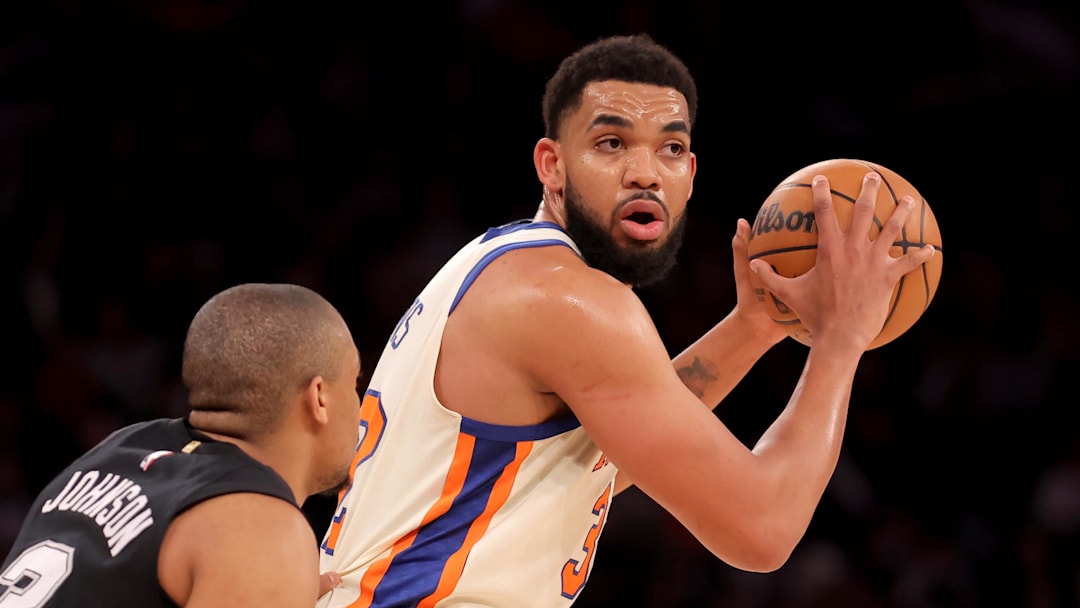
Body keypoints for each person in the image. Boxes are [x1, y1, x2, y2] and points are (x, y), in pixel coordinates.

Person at [315, 34, 936, 607]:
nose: (645, 172)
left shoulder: (493, 262)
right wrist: (842, 340)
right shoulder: (569, 303)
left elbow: (603, 456)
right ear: (552, 165)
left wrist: (758, 326)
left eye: (670, 148)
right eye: (611, 143)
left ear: (690, 175)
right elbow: (764, 529)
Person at [0, 283, 362, 607]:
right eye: (354, 381)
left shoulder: (117, 449)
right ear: (319, 397)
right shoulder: (261, 532)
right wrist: (267, 576)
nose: (360, 406)